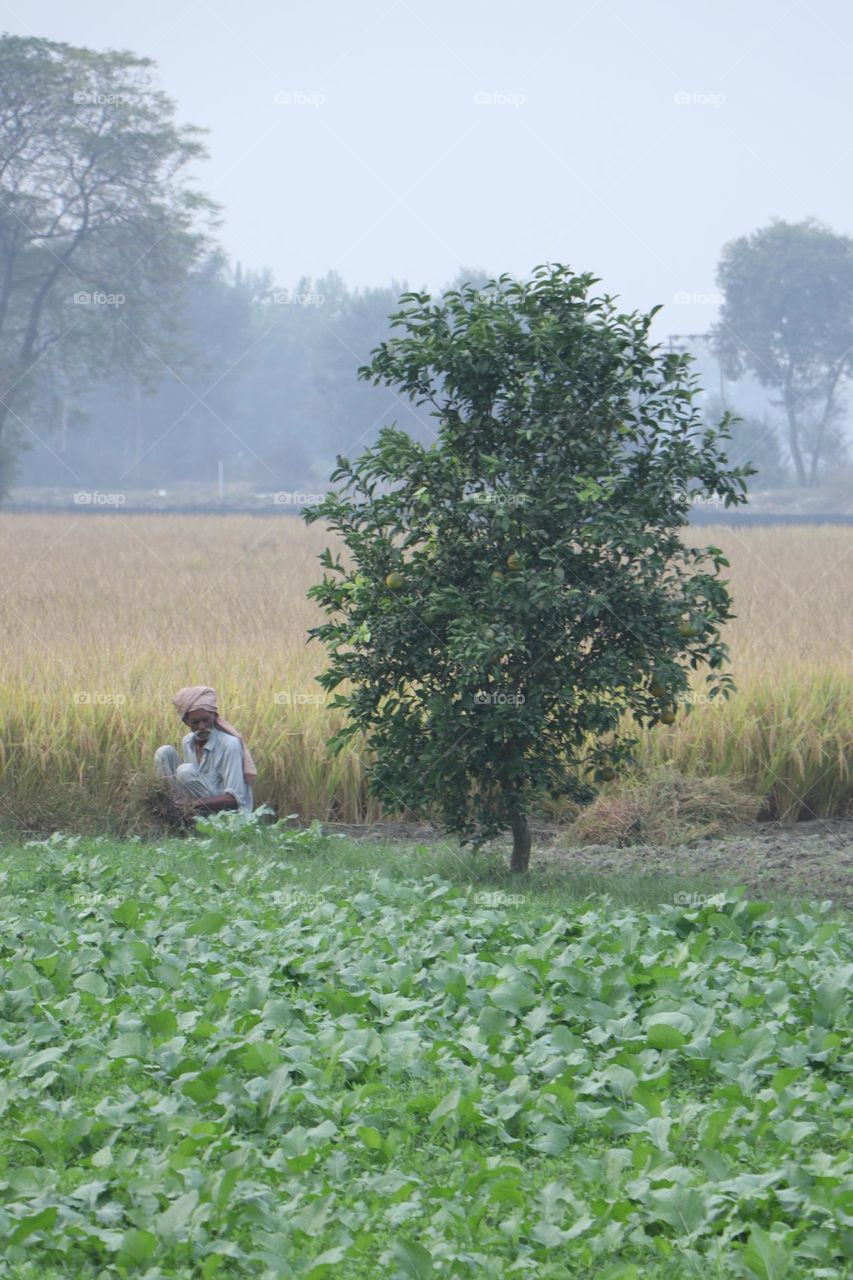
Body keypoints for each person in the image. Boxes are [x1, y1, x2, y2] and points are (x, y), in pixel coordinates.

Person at [154, 686, 257, 816]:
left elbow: (234, 800)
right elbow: (192, 785)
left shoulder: (230, 745)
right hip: (198, 807)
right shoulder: (187, 742)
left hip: (229, 815)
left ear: (214, 716)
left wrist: (192, 804)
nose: (202, 727)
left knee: (185, 771)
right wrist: (183, 803)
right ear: (186, 722)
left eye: (206, 720)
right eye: (195, 723)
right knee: (164, 752)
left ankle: (184, 811)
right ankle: (173, 811)